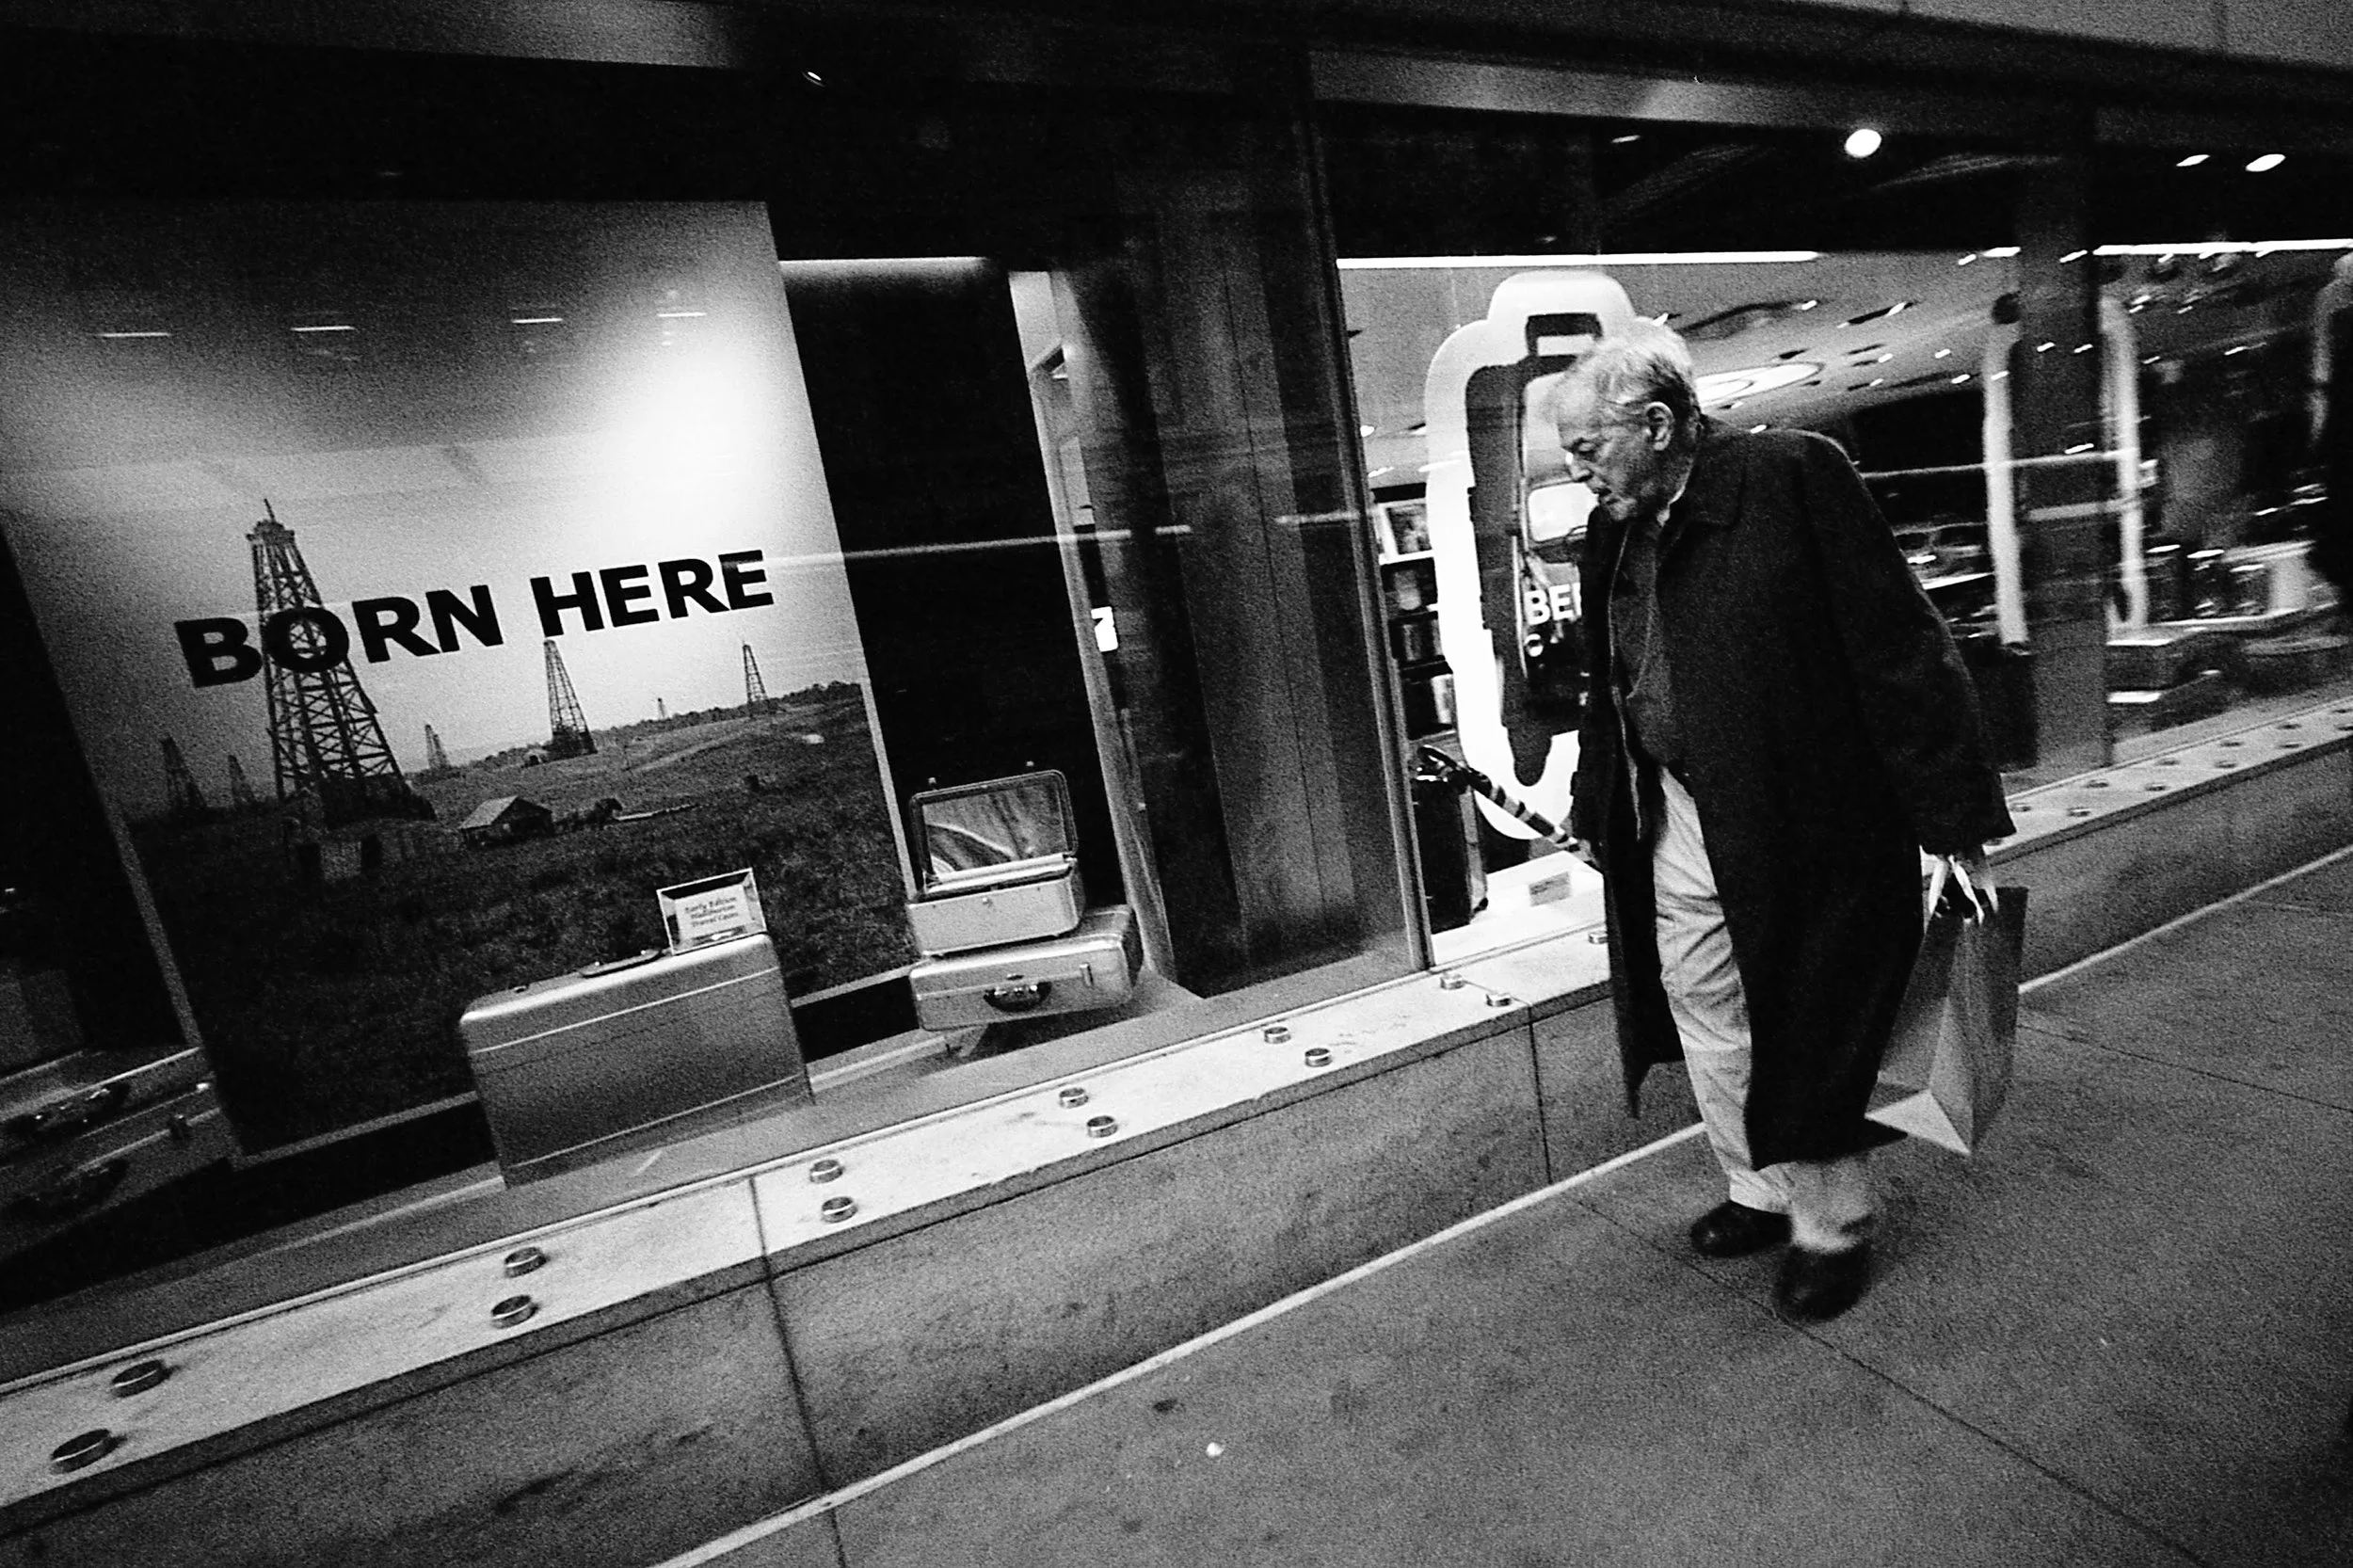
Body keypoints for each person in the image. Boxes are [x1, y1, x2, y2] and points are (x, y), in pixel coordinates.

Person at [1552, 319, 2013, 1321]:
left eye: (1587, 447)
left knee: (1811, 1011)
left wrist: (1949, 815)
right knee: (1704, 1003)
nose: (1576, 469)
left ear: (1660, 422)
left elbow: (1899, 645)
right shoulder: (1611, 530)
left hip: (1806, 809)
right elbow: (1613, 680)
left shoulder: (1793, 476)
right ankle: (1759, 1186)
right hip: (1674, 805)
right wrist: (1600, 802)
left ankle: (1831, 1222)